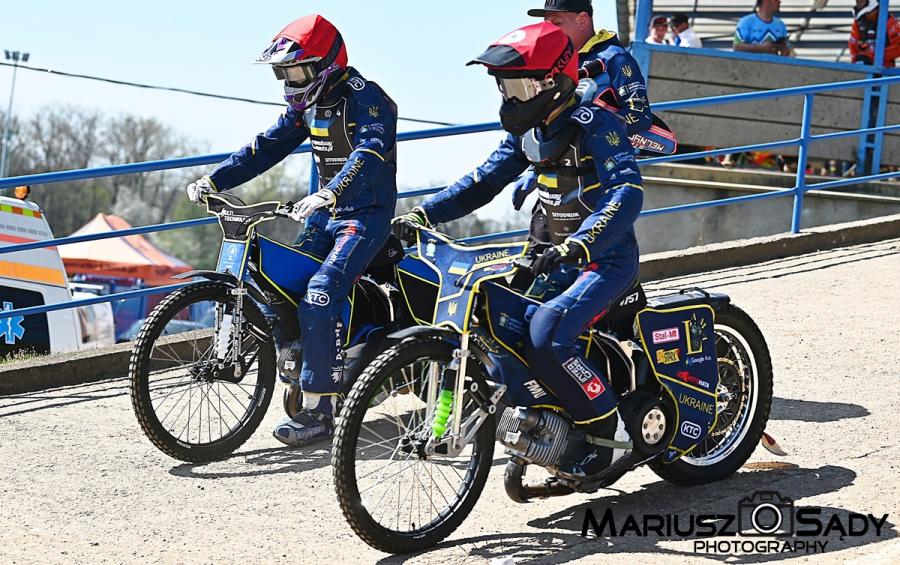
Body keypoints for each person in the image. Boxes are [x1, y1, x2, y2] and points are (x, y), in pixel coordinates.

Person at [395, 22, 643, 479]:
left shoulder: (597, 123)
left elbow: (626, 192)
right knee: (497, 319)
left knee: (546, 335)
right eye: (504, 87)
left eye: (519, 87)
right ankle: (545, 422)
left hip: (604, 260)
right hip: (551, 259)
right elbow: (481, 182)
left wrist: (582, 241)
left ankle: (610, 436)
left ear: (554, 81)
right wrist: (423, 214)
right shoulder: (528, 132)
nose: (510, 99)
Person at [185, 14, 398, 447]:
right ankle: (304, 363)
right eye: (283, 73)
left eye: (297, 71)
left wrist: (331, 192)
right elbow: (266, 147)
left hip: (364, 216)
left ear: (327, 64)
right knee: (282, 285)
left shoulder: (366, 98)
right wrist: (214, 180)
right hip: (323, 215)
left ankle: (320, 411)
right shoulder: (307, 107)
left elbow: (369, 152)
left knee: (319, 292)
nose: (289, 81)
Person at [512, 0, 652, 250]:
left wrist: (592, 132)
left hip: (597, 179)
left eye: (556, 23)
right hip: (553, 181)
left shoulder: (615, 58)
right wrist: (534, 167)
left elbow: (639, 115)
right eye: (546, 24)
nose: (548, 31)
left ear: (582, 20)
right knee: (536, 255)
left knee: (597, 256)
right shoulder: (554, 60)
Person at [849, 0, 900, 66]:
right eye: (858, 2)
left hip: (884, 68)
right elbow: (852, 46)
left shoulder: (889, 21)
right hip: (863, 66)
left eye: (861, 1)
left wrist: (872, 55)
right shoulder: (858, 23)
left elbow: (898, 48)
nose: (858, 5)